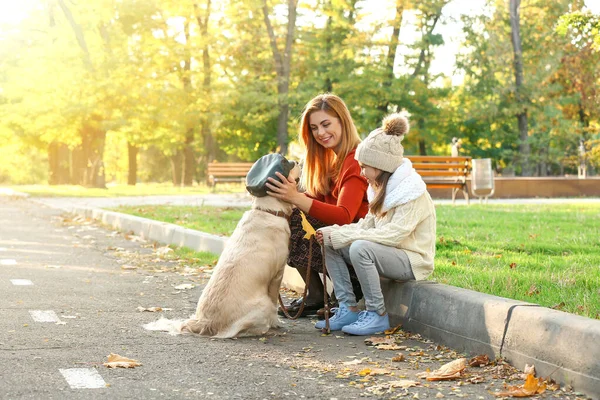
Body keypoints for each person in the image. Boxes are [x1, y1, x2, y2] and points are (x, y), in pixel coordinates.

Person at [314, 112, 436, 335]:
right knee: (330, 241)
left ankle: (377, 314)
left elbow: (394, 235)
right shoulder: (381, 191)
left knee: (360, 247)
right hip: (388, 254)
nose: (361, 173)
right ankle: (348, 308)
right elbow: (365, 226)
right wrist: (334, 232)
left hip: (412, 259)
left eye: (364, 167)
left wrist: (349, 237)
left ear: (381, 166)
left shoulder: (412, 193)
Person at [266, 93, 369, 316]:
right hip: (340, 240)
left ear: (342, 121)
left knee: (297, 212)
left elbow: (344, 216)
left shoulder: (356, 160)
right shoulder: (331, 159)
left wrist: (296, 198)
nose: (321, 133)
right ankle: (314, 295)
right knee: (293, 214)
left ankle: (346, 293)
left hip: (359, 244)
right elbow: (319, 203)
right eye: (314, 128)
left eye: (326, 124)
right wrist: (286, 193)